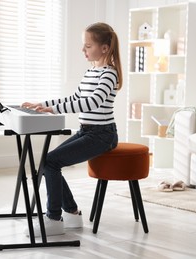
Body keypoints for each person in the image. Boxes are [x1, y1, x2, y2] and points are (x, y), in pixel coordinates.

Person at [22, 22, 123, 236]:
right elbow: (76, 98)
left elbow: (92, 102)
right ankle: (72, 213)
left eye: (88, 46)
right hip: (87, 131)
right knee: (49, 161)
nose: (83, 50)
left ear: (104, 48)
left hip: (102, 134)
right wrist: (44, 104)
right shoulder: (91, 72)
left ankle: (54, 218)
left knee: (50, 162)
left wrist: (54, 108)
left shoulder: (109, 74)